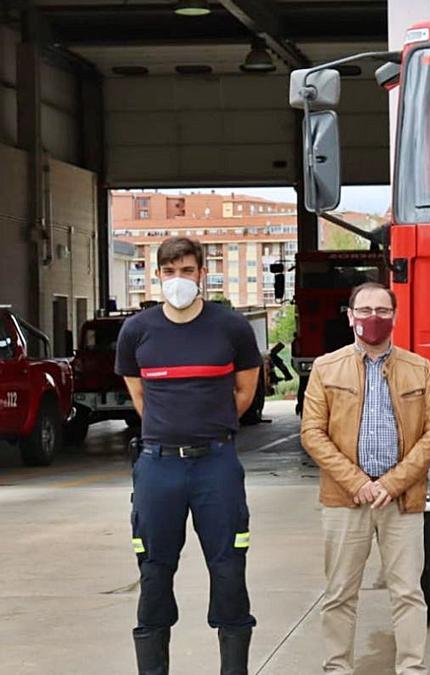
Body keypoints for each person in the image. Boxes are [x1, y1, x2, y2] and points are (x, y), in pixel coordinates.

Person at [117, 236, 264, 675]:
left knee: (229, 571)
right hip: (158, 467)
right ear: (157, 275)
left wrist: (207, 426)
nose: (178, 279)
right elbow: (141, 399)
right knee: (155, 573)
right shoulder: (137, 331)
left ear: (203, 273)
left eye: (186, 270)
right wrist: (172, 433)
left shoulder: (231, 328)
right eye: (169, 271)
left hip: (215, 465)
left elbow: (244, 392)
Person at [301, 281, 430, 675]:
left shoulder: (419, 368)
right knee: (339, 594)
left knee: (408, 593)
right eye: (364, 311)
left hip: (402, 500)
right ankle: (337, 669)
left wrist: (391, 484)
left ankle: (412, 669)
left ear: (395, 318)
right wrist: (358, 483)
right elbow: (312, 433)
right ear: (350, 316)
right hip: (346, 499)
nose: (373, 319)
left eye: (382, 311)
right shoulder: (326, 368)